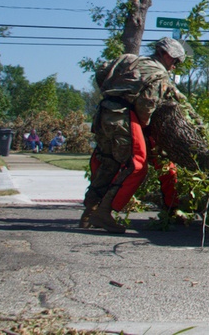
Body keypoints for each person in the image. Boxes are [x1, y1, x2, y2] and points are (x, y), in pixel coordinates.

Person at [79, 37, 186, 233]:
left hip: (103, 114)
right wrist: (144, 128)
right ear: (166, 54)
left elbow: (102, 70)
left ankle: (89, 213)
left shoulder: (128, 59)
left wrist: (112, 92)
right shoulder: (158, 74)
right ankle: (104, 212)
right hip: (123, 117)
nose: (174, 66)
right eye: (175, 61)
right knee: (136, 166)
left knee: (108, 161)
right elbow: (147, 106)